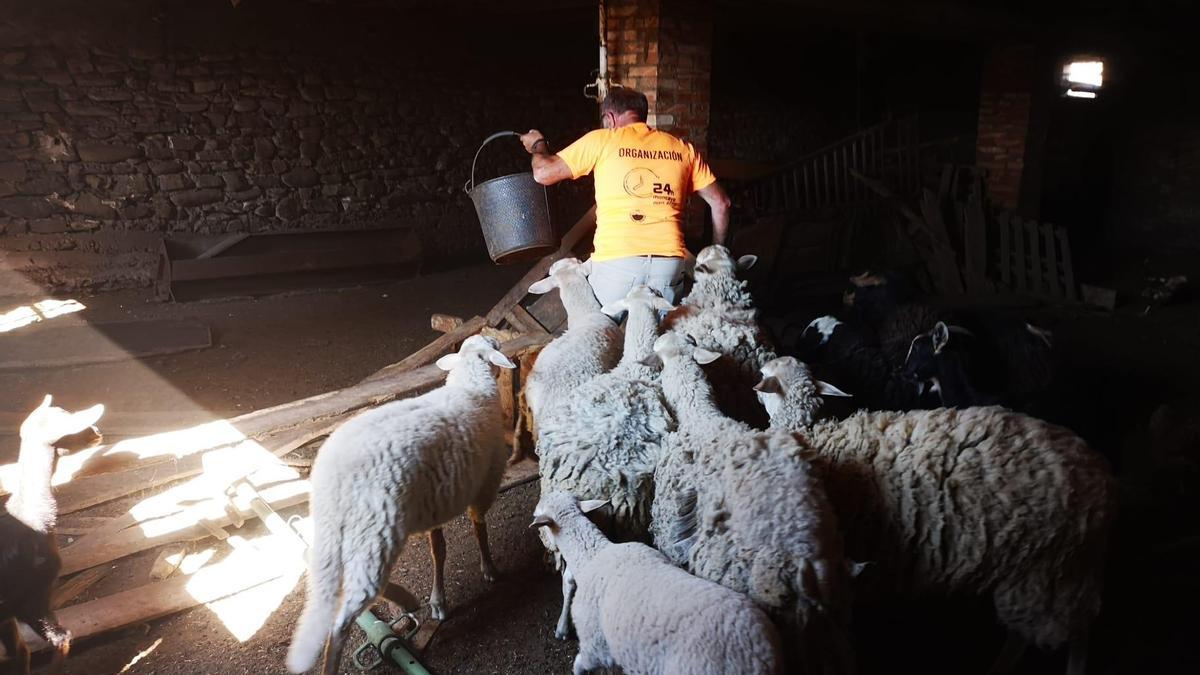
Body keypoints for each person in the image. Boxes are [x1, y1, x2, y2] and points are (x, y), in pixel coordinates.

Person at [519, 87, 731, 306]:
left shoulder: (603, 140)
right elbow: (722, 203)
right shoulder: (683, 149)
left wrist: (538, 146)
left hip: (616, 265)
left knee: (604, 334)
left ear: (610, 118)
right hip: (668, 267)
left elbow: (543, 173)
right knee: (655, 336)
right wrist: (717, 252)